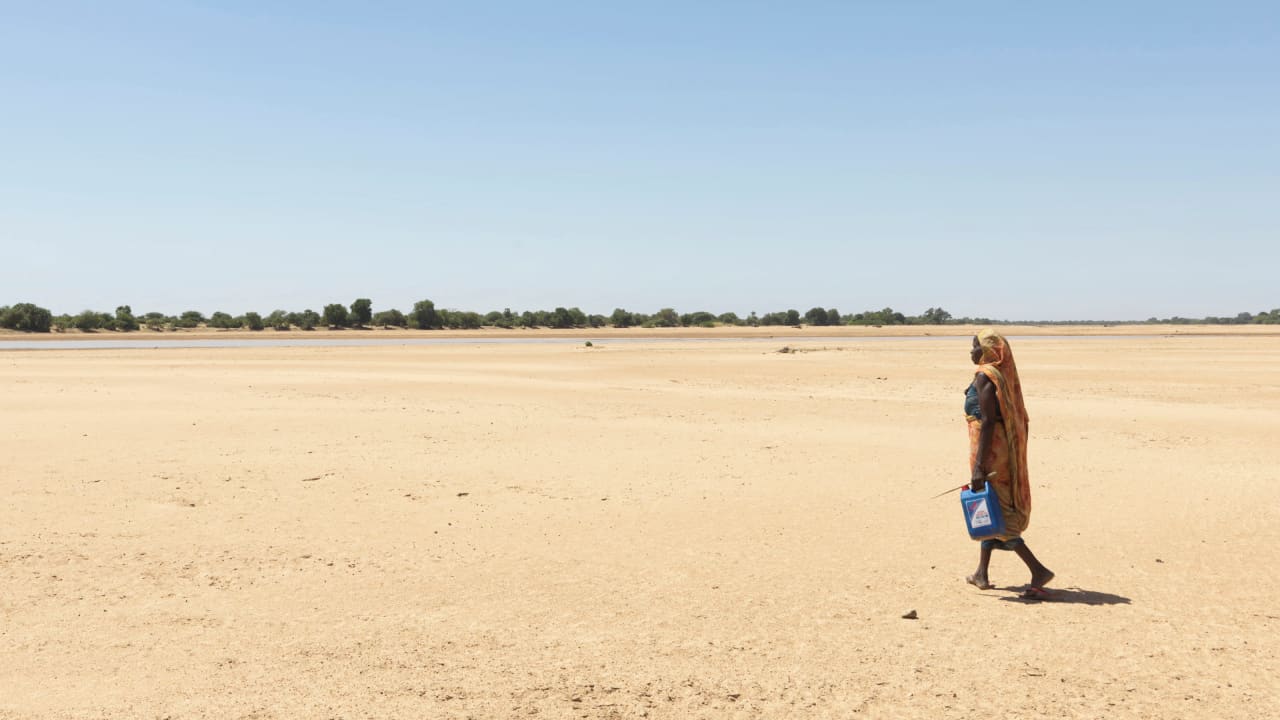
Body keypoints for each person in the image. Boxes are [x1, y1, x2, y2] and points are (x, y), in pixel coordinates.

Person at [964, 329, 1054, 599]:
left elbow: (990, 421)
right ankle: (981, 572)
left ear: (988, 350)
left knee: (997, 509)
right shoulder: (1000, 375)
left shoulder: (985, 376)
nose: (971, 352)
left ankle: (1038, 570)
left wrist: (980, 466)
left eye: (974, 346)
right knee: (989, 506)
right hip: (997, 450)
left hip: (991, 453)